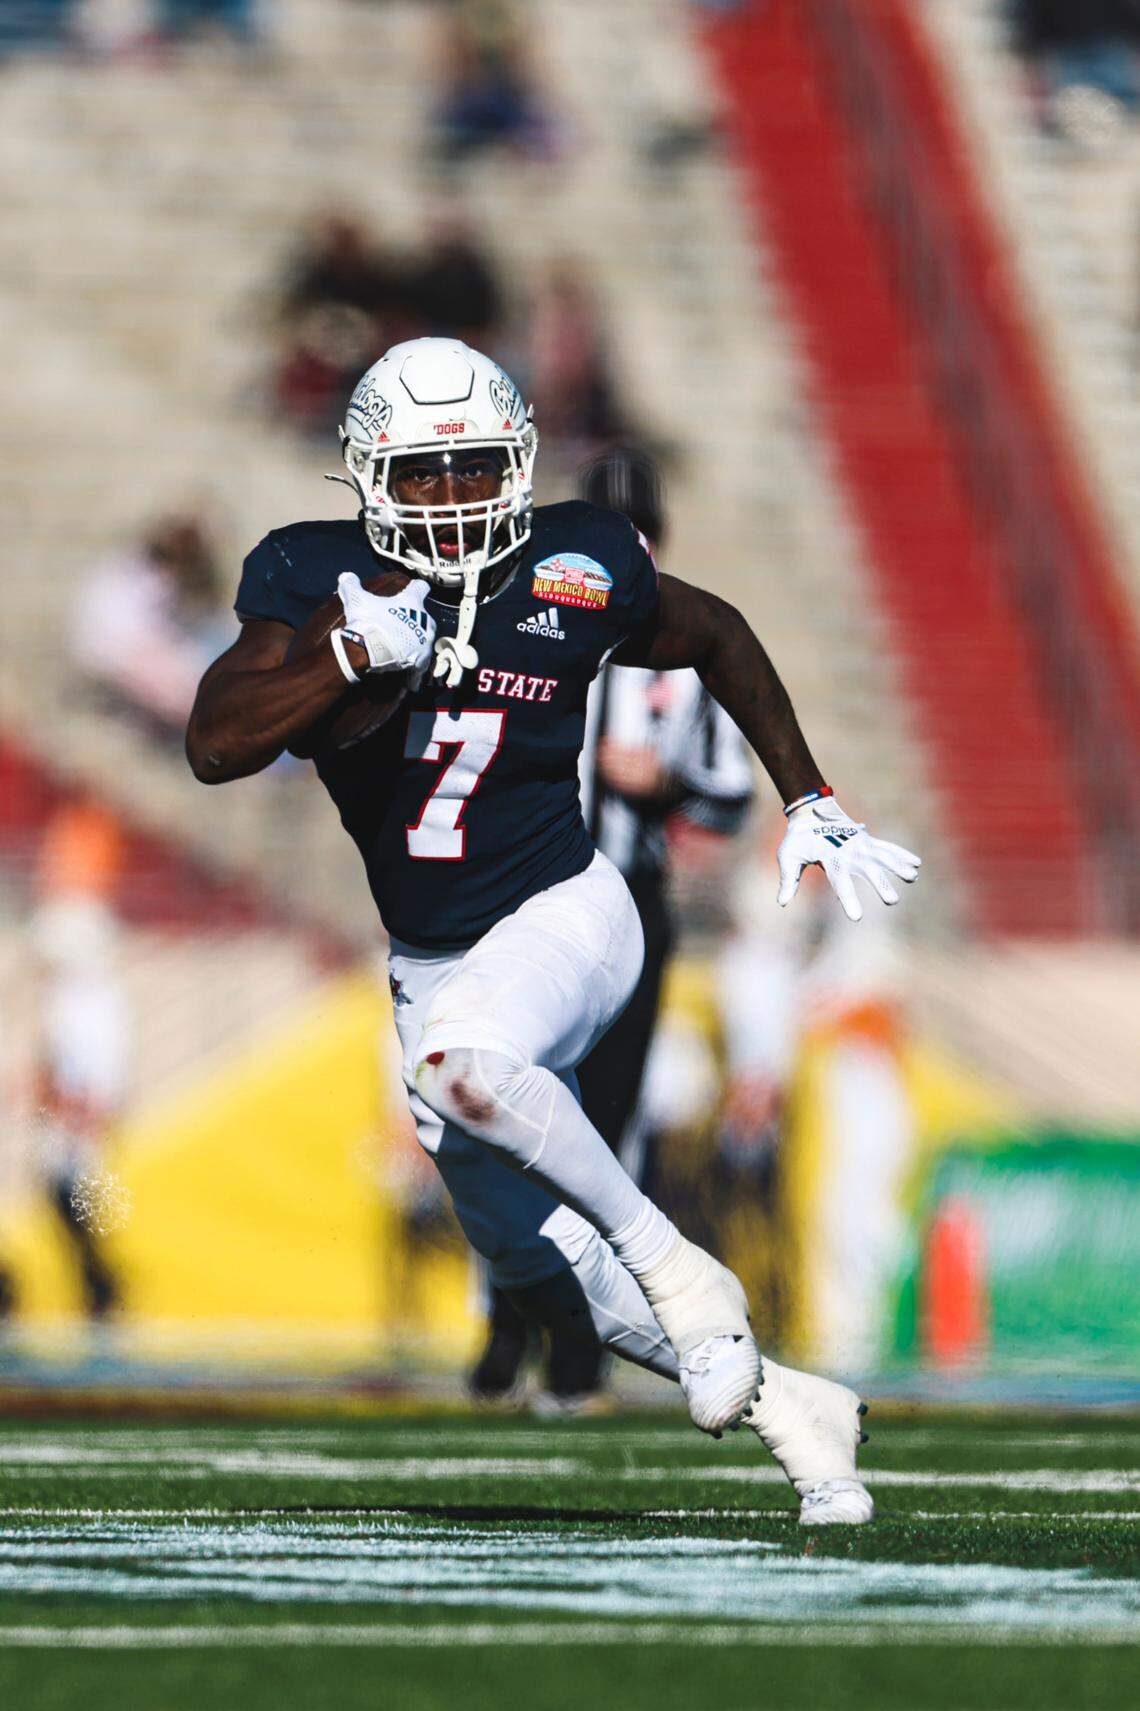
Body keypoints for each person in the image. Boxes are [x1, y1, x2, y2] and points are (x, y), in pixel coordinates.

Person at [186, 336, 922, 1525]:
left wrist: (810, 798)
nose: (451, 495)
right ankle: (797, 1411)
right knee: (538, 1264)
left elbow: (718, 633)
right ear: (370, 473)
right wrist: (345, 654)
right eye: (423, 473)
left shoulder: (568, 563)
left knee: (470, 1070)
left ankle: (686, 1273)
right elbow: (217, 742)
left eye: (474, 465)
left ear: (518, 461)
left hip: (570, 910)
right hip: (431, 963)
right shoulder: (316, 579)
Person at [469, 447, 754, 1409]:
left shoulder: (681, 646)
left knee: (610, 1118)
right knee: (511, 1105)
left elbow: (729, 792)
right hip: (529, 892)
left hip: (629, 897)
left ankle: (583, 1334)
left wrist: (663, 783)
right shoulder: (528, 626)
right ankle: (508, 1314)